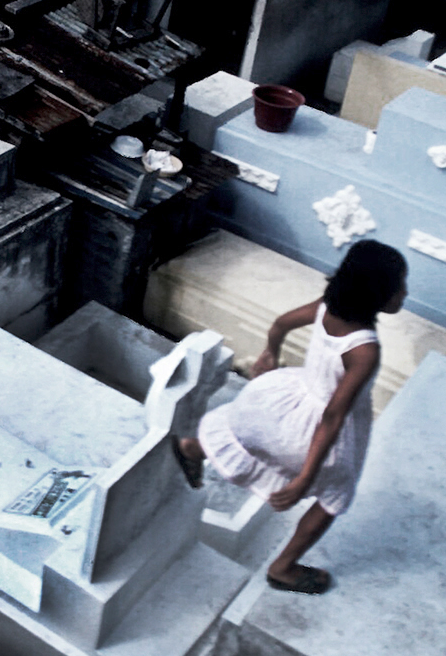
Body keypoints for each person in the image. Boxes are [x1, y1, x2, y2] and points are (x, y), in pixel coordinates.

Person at [171, 240, 408, 594]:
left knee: (240, 430)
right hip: (311, 430)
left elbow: (281, 323)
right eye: (398, 287)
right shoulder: (364, 349)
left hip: (278, 404)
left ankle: (191, 448)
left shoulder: (327, 307)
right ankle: (283, 568)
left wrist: (270, 352)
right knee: (335, 496)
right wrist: (303, 480)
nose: (404, 294)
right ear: (376, 294)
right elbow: (333, 416)